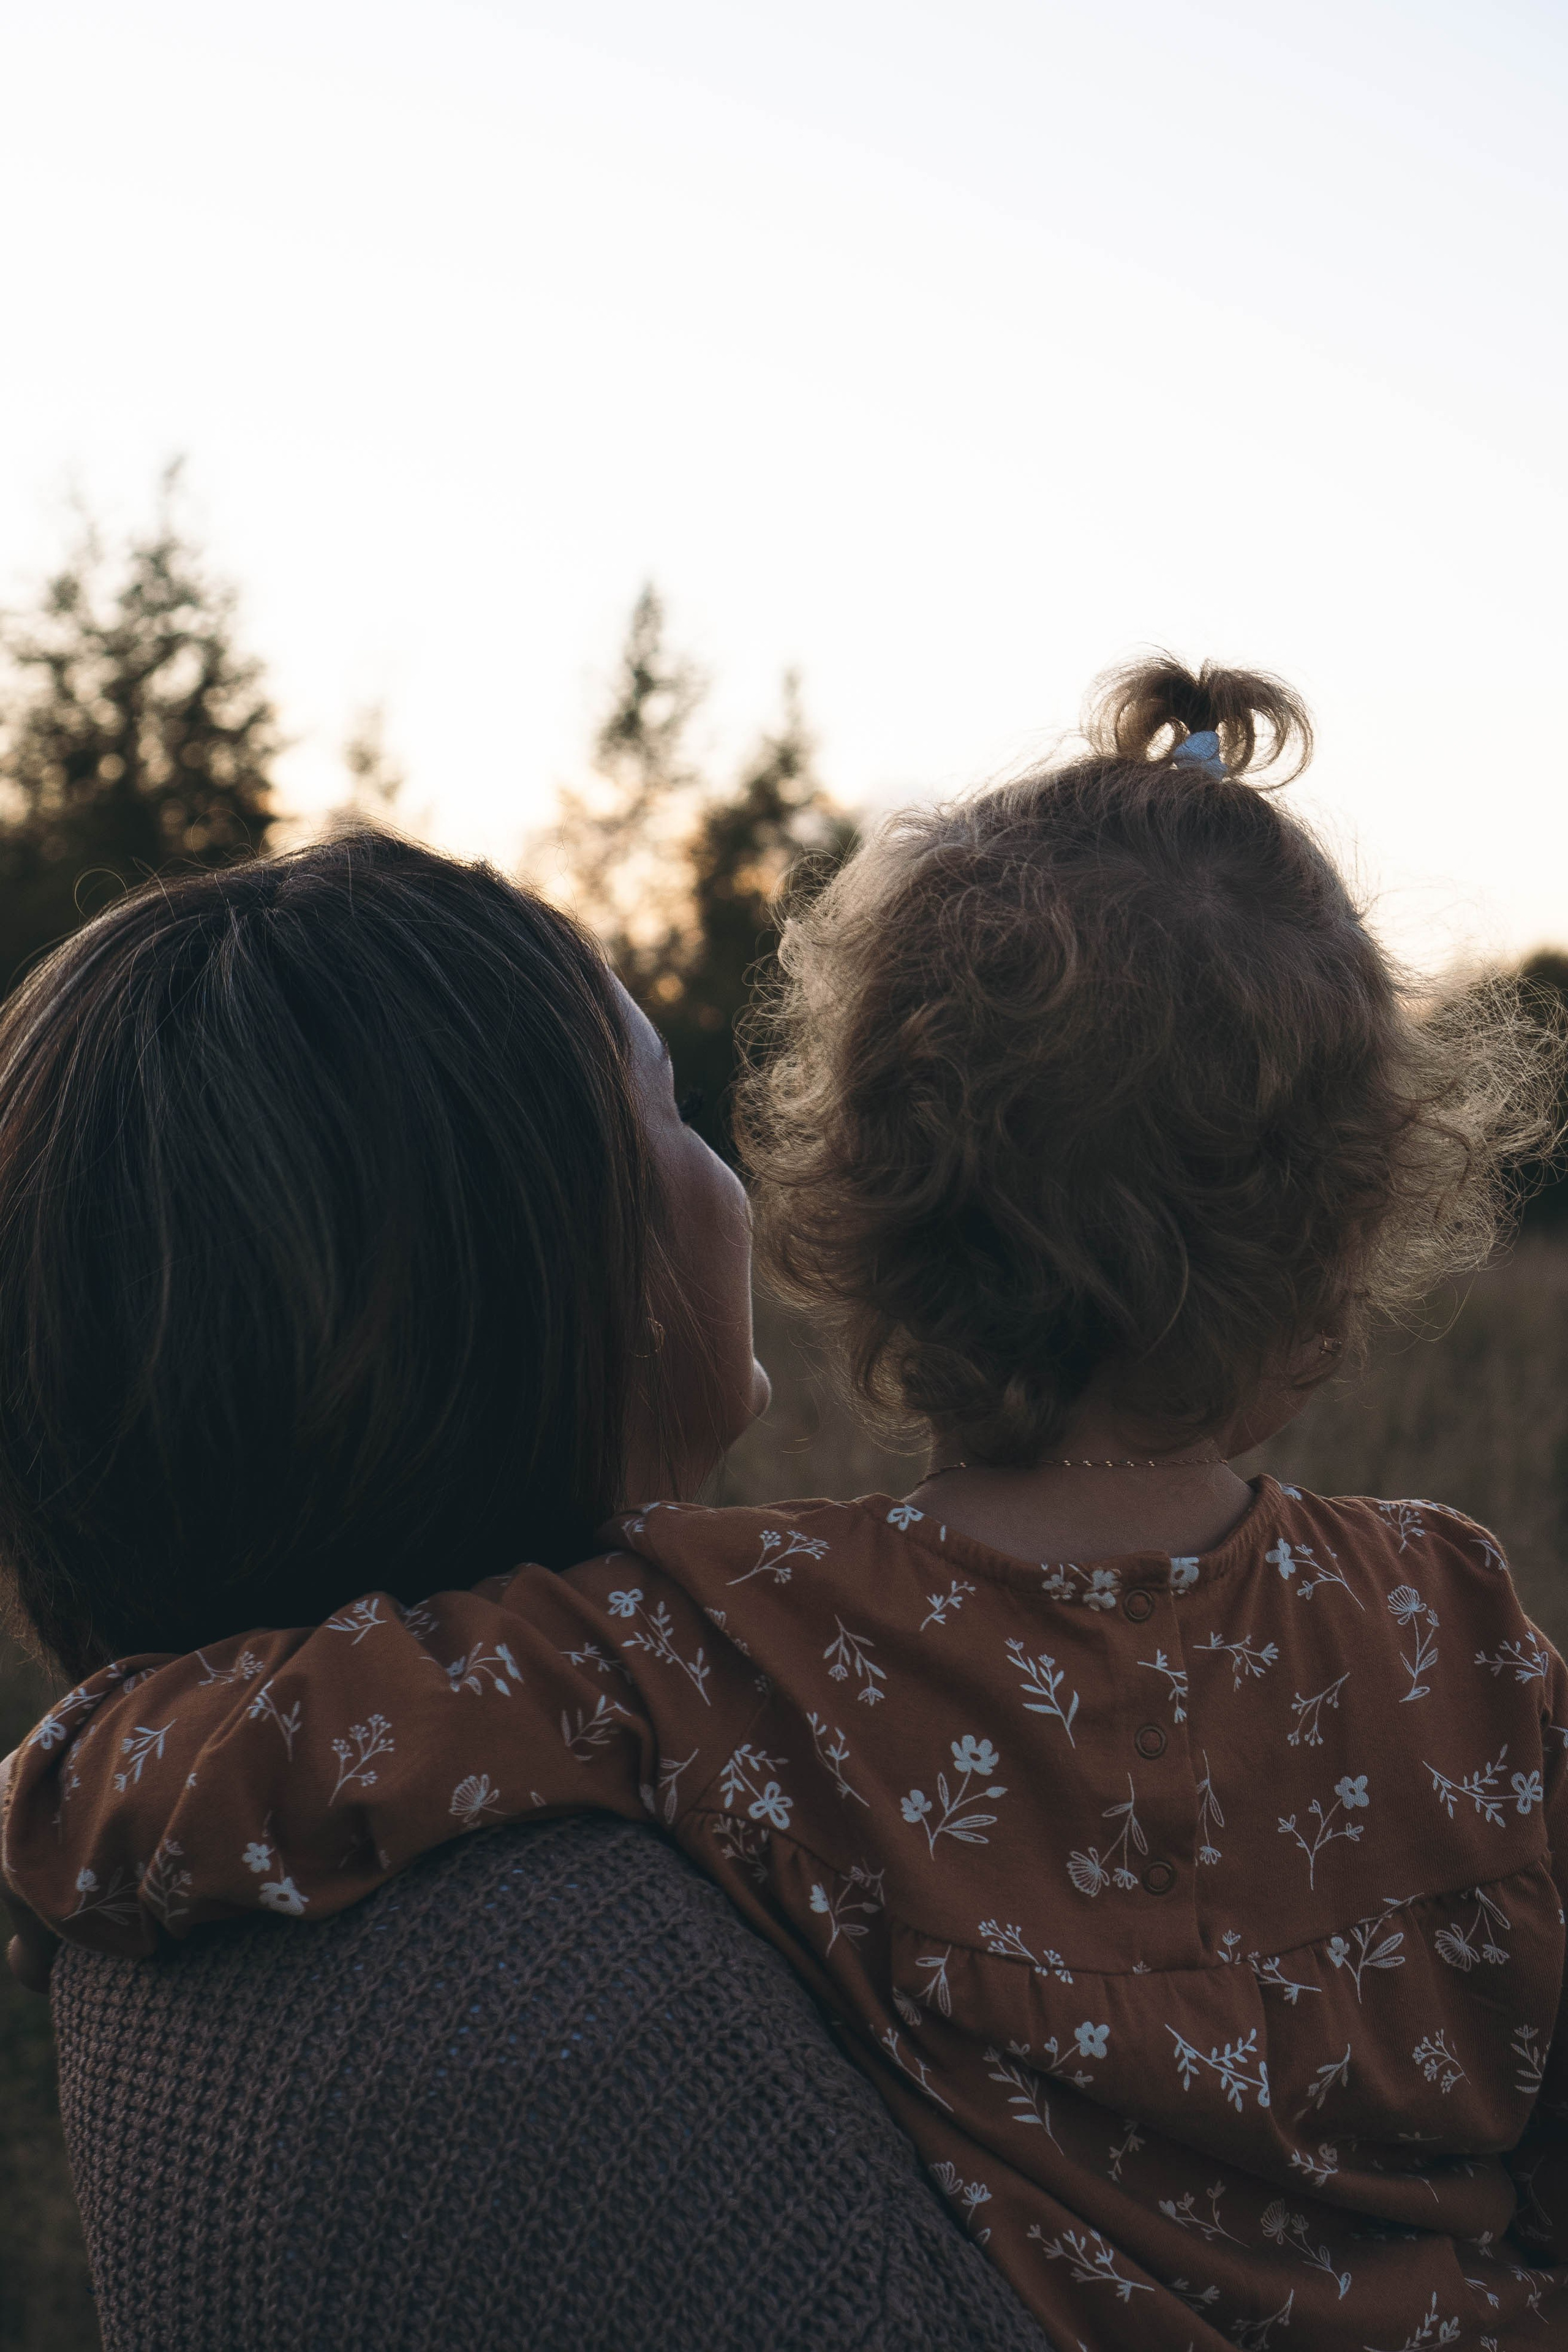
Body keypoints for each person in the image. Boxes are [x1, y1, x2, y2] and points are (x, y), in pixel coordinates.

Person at [7, 658, 1566, 2347]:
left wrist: (70, 1783)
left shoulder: (718, 1651)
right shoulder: (1453, 1615)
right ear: (1353, 1237)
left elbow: (252, 1749)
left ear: (877, 1206)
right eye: (664, 1108)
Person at [0, 834, 1051, 2352]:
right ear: (555, 1270)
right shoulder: (552, 1989)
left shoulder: (197, 1821)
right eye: (667, 1111)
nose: (728, 1172)